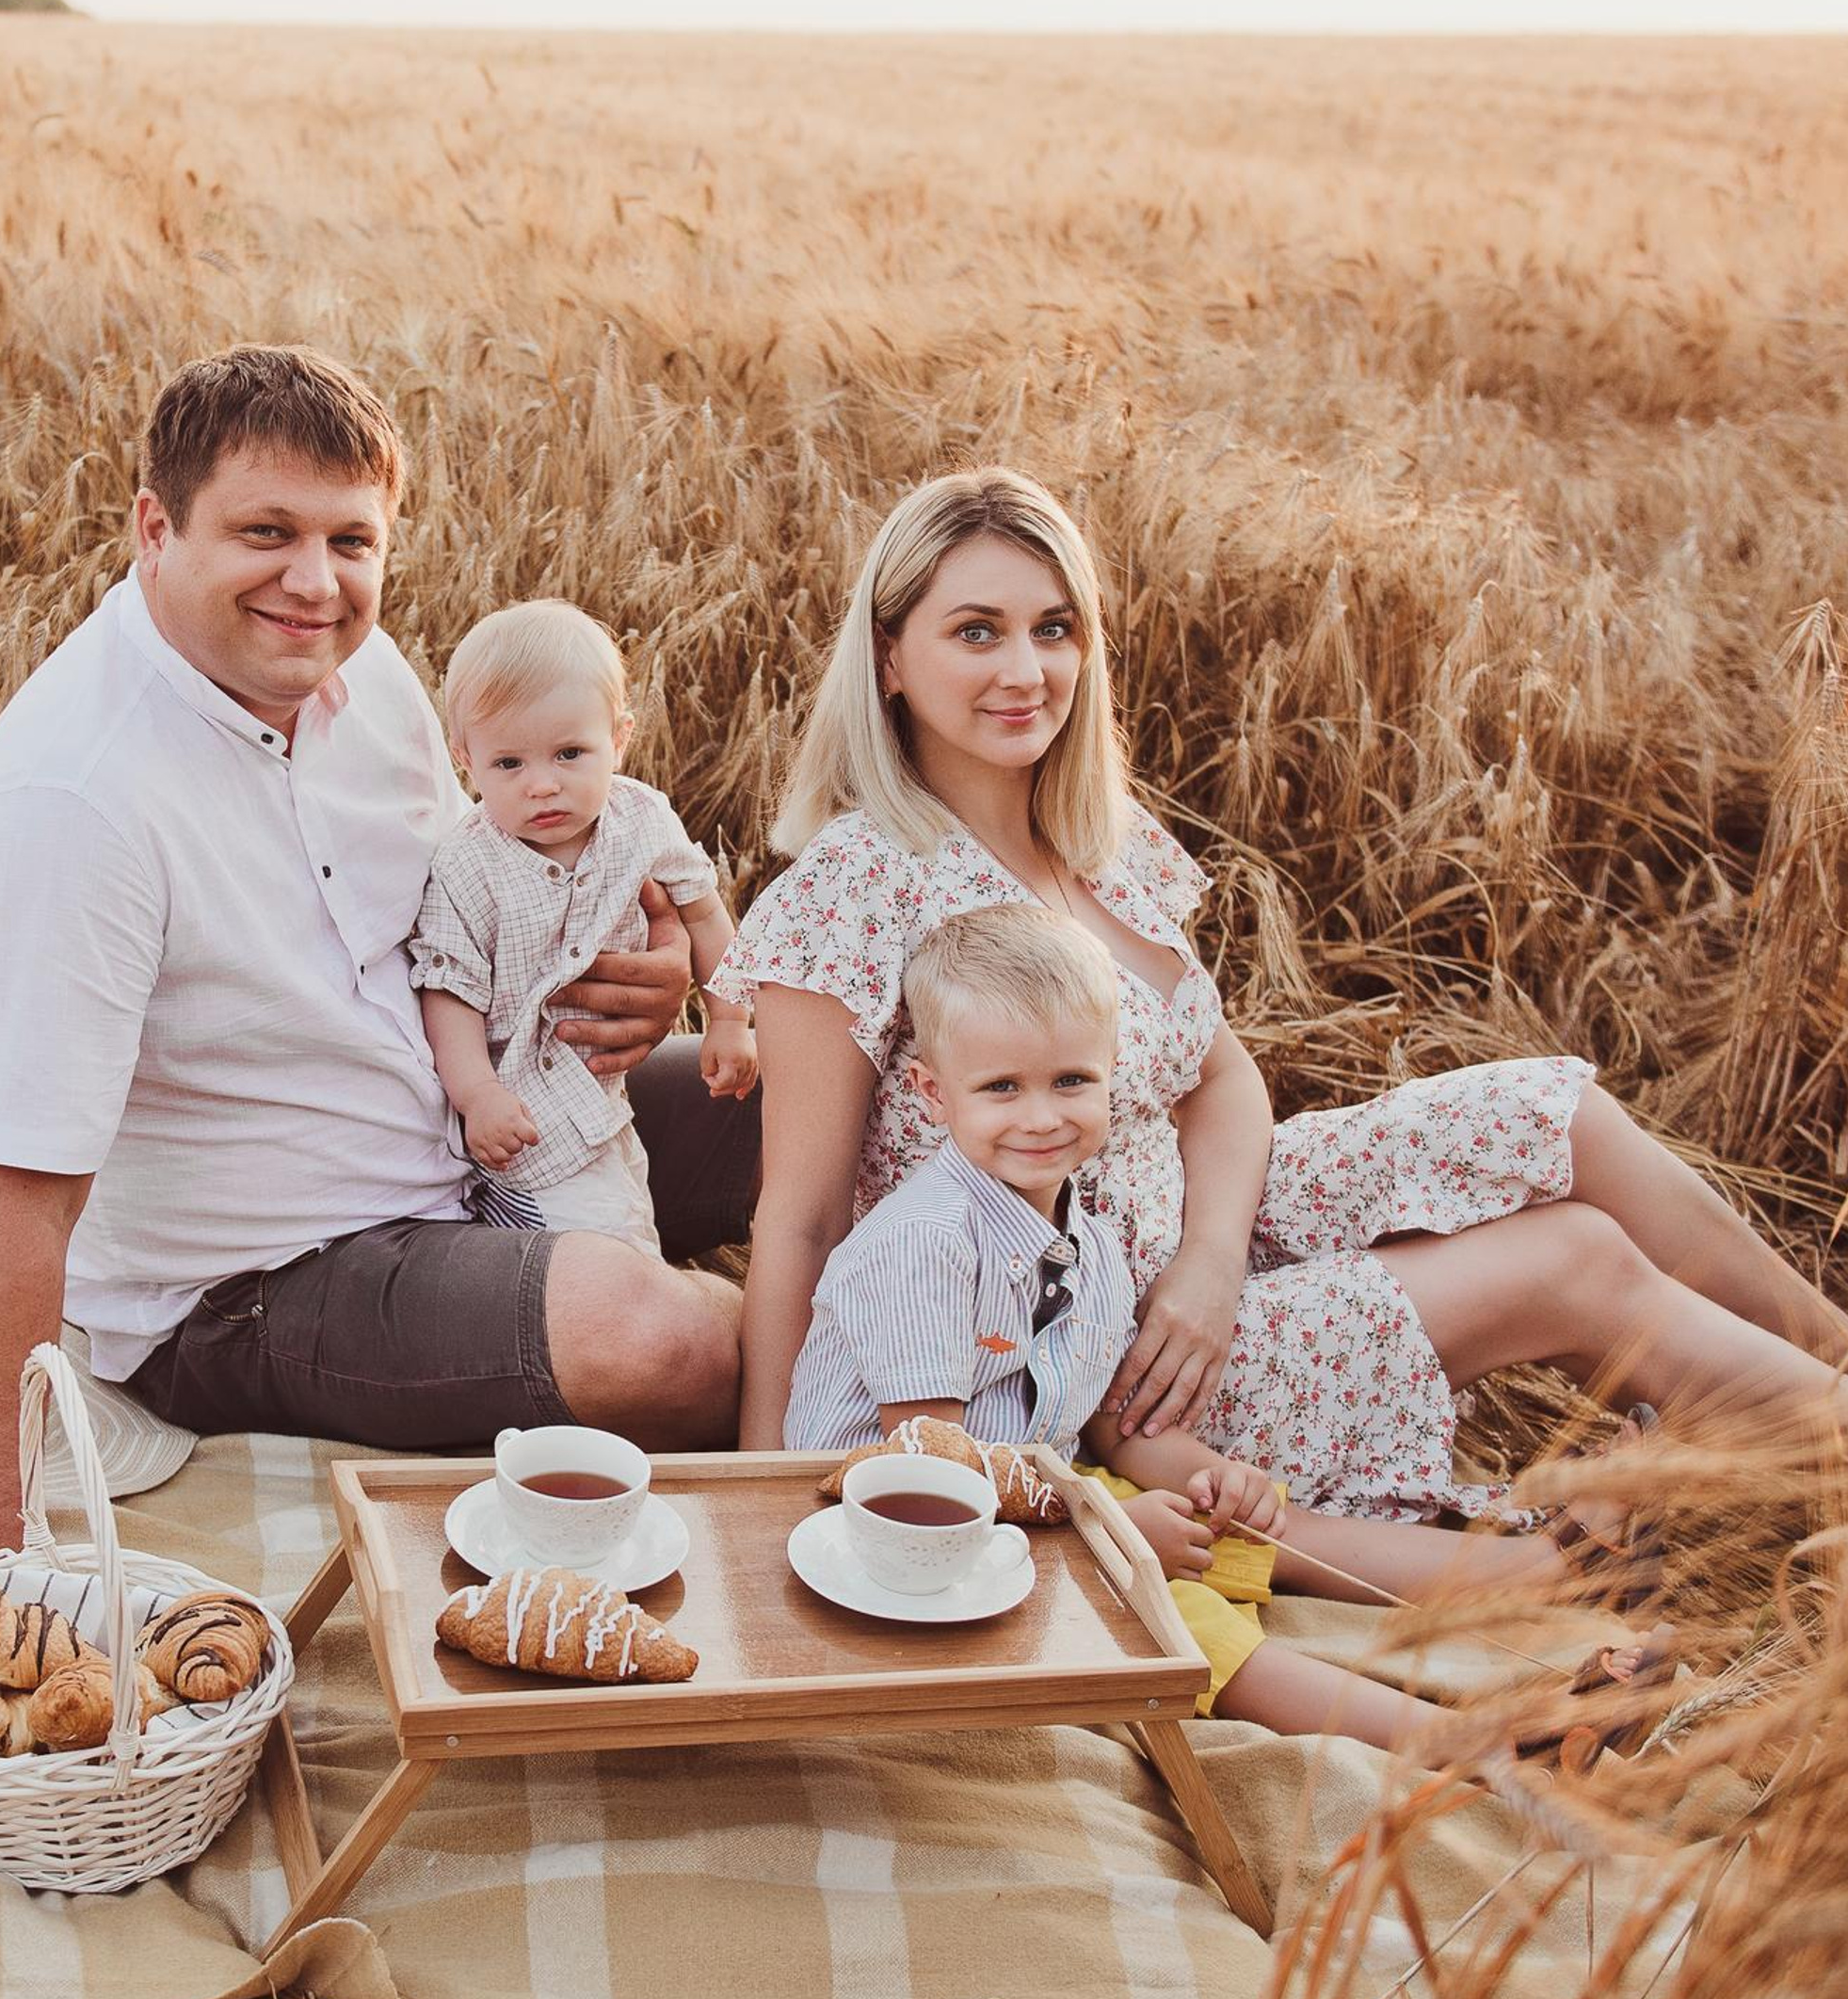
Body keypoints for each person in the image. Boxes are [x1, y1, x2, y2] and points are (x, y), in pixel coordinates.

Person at [0, 346, 753, 1711]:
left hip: (485, 1121)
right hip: (261, 1278)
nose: (317, 582)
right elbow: (5, 1210)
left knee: (839, 1085)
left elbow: (485, 888)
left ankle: (1045, 1326)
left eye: (353, 541)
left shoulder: (362, 675)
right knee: (668, 1341)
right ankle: (905, 1391)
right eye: (266, 534)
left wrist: (645, 966)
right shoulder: (76, 805)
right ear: (153, 528)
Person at [719, 465, 1848, 1528]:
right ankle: (1798, 1441)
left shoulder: (1102, 844)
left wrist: (1210, 1261)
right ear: (888, 660)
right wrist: (767, 1490)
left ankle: (1815, 1382)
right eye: (977, 631)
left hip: (1202, 1234)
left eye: (1053, 628)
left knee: (1553, 1113)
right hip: (1093, 1344)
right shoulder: (852, 888)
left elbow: (1218, 1075)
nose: (1027, 671)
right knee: (1574, 1257)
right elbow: (804, 1219)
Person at [789, 903, 1662, 1759]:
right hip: (888, 1540)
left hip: (1018, 1497)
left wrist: (1211, 1476)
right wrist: (1116, 1536)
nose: (1043, 1116)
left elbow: (1102, 1425)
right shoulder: (924, 1246)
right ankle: (1490, 1743)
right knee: (1176, 1613)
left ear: (1111, 1071)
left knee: (1227, 1533)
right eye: (1001, 1088)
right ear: (935, 1094)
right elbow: (932, 1466)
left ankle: (1540, 1578)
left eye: (1071, 1081)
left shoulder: (1086, 1245)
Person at [412, 600, 756, 1251]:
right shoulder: (467, 865)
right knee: (611, 1250)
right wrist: (478, 1094)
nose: (543, 785)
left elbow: (705, 912)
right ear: (464, 759)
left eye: (570, 753)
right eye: (509, 764)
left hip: (605, 1100)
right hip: (525, 1124)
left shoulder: (642, 819)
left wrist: (731, 1020)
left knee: (633, 1217)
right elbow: (447, 992)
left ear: (619, 738)